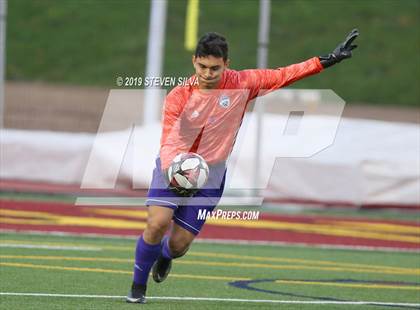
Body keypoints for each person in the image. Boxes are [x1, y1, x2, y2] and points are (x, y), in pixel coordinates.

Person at [126, 29, 359, 303]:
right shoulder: (179, 95)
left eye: (215, 67)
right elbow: (169, 140)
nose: (208, 73)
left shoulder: (243, 83)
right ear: (194, 61)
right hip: (175, 168)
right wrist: (175, 173)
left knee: (178, 245)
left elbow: (283, 74)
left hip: (211, 174)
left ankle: (165, 256)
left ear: (227, 63)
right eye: (202, 66)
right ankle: (137, 288)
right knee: (157, 223)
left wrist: (326, 60)